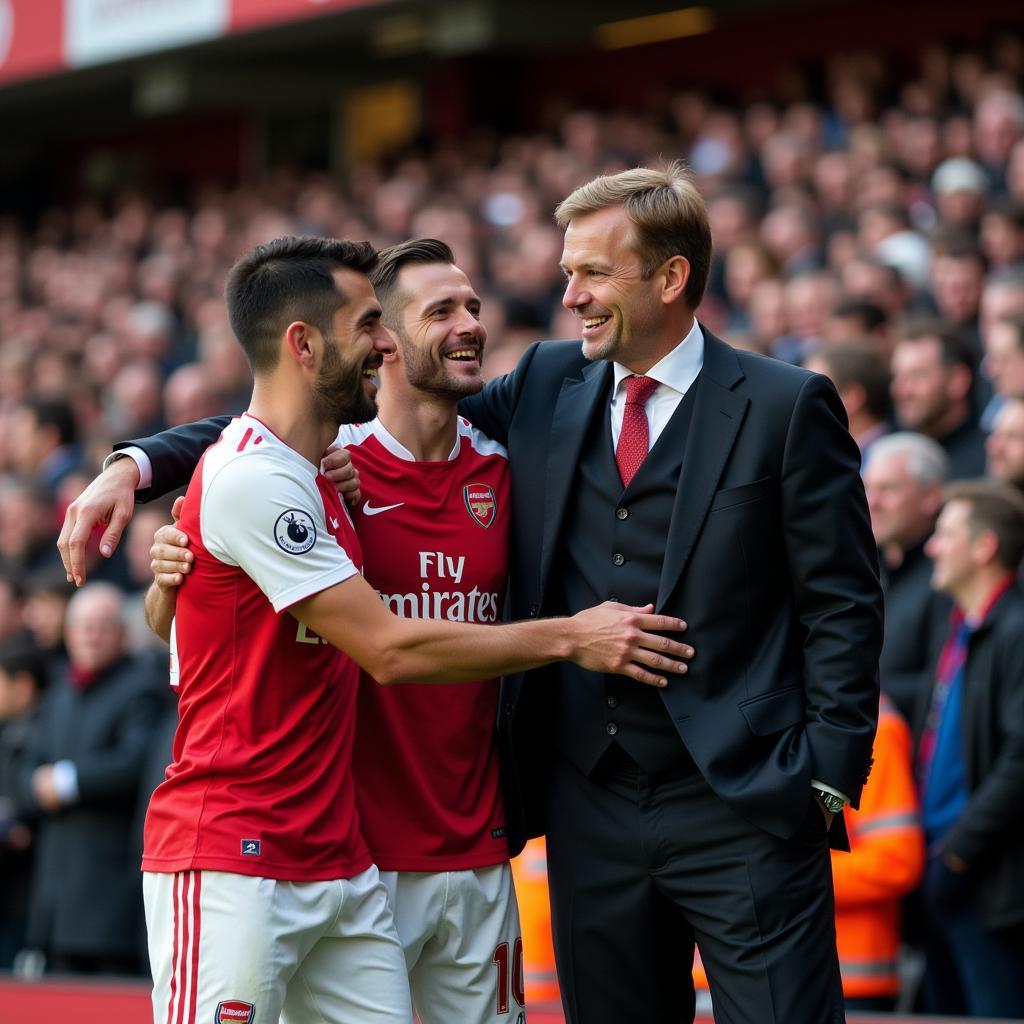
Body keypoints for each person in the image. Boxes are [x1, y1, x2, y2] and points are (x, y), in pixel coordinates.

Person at [77, 235, 691, 1024]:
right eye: (433, 312)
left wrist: (175, 550)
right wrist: (150, 492)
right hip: (291, 849)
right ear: (379, 341)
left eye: (473, 305)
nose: (471, 323)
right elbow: (366, 644)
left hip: (428, 854)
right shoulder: (313, 471)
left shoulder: (440, 469)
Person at [456, 163, 880, 1023]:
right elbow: (396, 408)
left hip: (746, 802)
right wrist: (146, 461)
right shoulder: (544, 380)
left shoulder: (786, 403)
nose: (568, 295)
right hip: (587, 801)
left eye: (592, 273)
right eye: (568, 271)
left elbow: (843, 599)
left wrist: (825, 779)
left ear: (671, 276)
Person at [141, 237, 552, 1022]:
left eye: (473, 305)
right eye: (375, 324)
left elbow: (200, 619)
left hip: (352, 860)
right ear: (307, 343)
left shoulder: (327, 479)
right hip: (242, 851)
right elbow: (385, 648)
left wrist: (170, 570)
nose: (384, 344)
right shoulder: (262, 475)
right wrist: (573, 637)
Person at [915, 479, 1024, 1017]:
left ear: (984, 548)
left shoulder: (1015, 630)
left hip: (986, 880)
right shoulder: (957, 628)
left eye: (946, 534)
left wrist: (959, 851)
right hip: (941, 870)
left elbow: (1020, 759)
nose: (932, 546)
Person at [16, 583, 162, 975]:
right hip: (55, 903)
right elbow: (28, 764)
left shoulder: (142, 689)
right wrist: (33, 786)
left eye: (102, 626)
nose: (91, 635)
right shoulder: (60, 691)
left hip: (111, 901)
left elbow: (136, 764)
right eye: (83, 626)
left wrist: (66, 782)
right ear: (68, 632)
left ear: (122, 634)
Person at [862, 432, 951, 721]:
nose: (872, 502)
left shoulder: (947, 577)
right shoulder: (866, 565)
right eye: (868, 488)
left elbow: (945, 684)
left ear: (930, 497)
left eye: (888, 489)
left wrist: (864, 691)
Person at [889, 320, 988, 480]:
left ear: (958, 380)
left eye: (917, 376)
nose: (901, 390)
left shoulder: (991, 459)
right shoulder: (891, 455)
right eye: (897, 377)